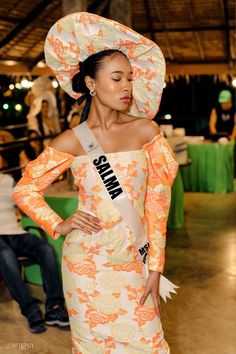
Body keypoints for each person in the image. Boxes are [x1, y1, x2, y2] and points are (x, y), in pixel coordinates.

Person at [13, 12, 178, 353]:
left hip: (134, 259)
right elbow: (25, 189)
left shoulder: (146, 132)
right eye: (117, 78)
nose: (127, 88)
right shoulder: (71, 141)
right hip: (85, 265)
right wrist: (59, 223)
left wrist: (156, 265)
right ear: (91, 83)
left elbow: (157, 205)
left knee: (148, 343)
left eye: (130, 79)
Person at [0, 172, 69, 333]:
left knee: (45, 249)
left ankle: (54, 307)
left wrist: (29, 195)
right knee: (6, 256)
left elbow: (23, 208)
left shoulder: (7, 180)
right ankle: (31, 311)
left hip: (17, 233)